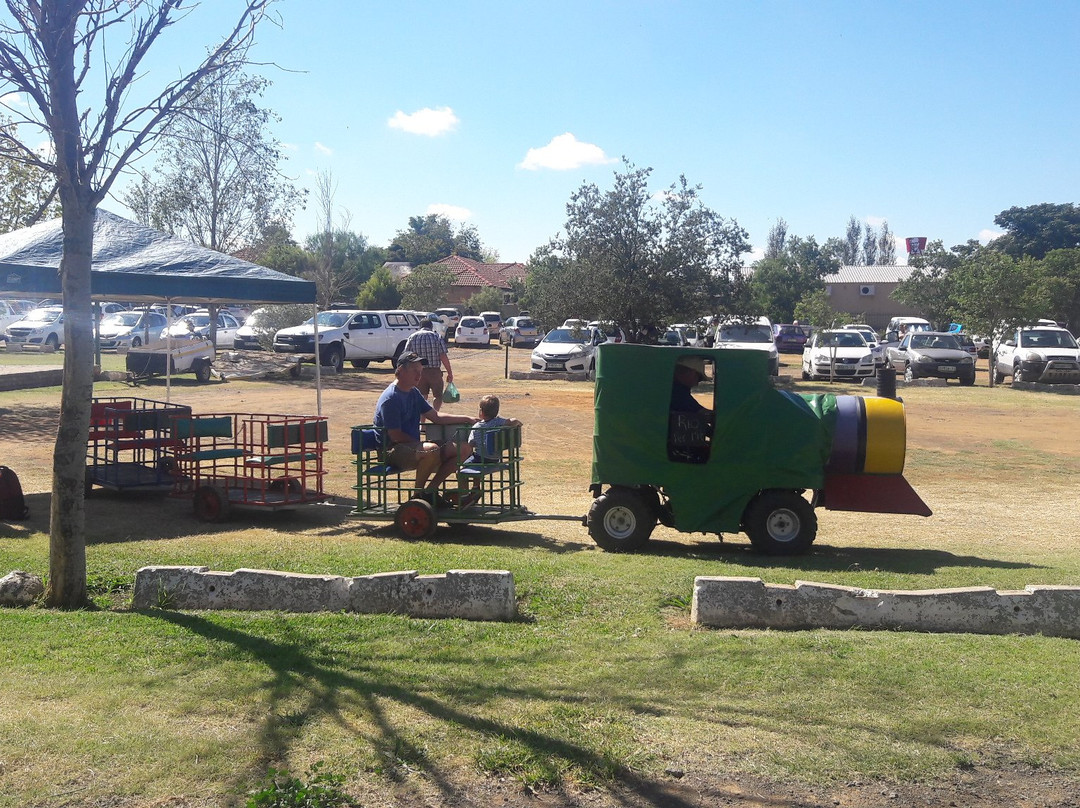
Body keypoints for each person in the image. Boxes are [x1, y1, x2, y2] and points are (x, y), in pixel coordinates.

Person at [374, 352, 475, 506]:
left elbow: (436, 417)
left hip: (413, 446)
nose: (419, 375)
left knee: (464, 449)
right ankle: (417, 496)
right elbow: (395, 435)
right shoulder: (391, 398)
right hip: (392, 450)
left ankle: (430, 491)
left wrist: (467, 418)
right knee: (431, 450)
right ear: (400, 371)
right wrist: (422, 445)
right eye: (414, 370)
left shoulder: (414, 392)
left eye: (420, 370)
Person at [460, 395, 522, 508]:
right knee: (475, 465)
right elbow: (512, 421)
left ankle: (466, 497)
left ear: (481, 411)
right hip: (494, 459)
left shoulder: (477, 426)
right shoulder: (498, 422)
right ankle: (475, 489)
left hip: (480, 458)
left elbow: (471, 443)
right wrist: (518, 423)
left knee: (461, 470)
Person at [403, 319, 454, 410]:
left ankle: (422, 418)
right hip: (435, 372)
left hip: (418, 372)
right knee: (438, 396)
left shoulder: (412, 337)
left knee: (422, 396)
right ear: (431, 326)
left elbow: (406, 356)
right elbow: (443, 356)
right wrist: (449, 373)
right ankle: (435, 413)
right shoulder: (437, 337)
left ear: (420, 326)